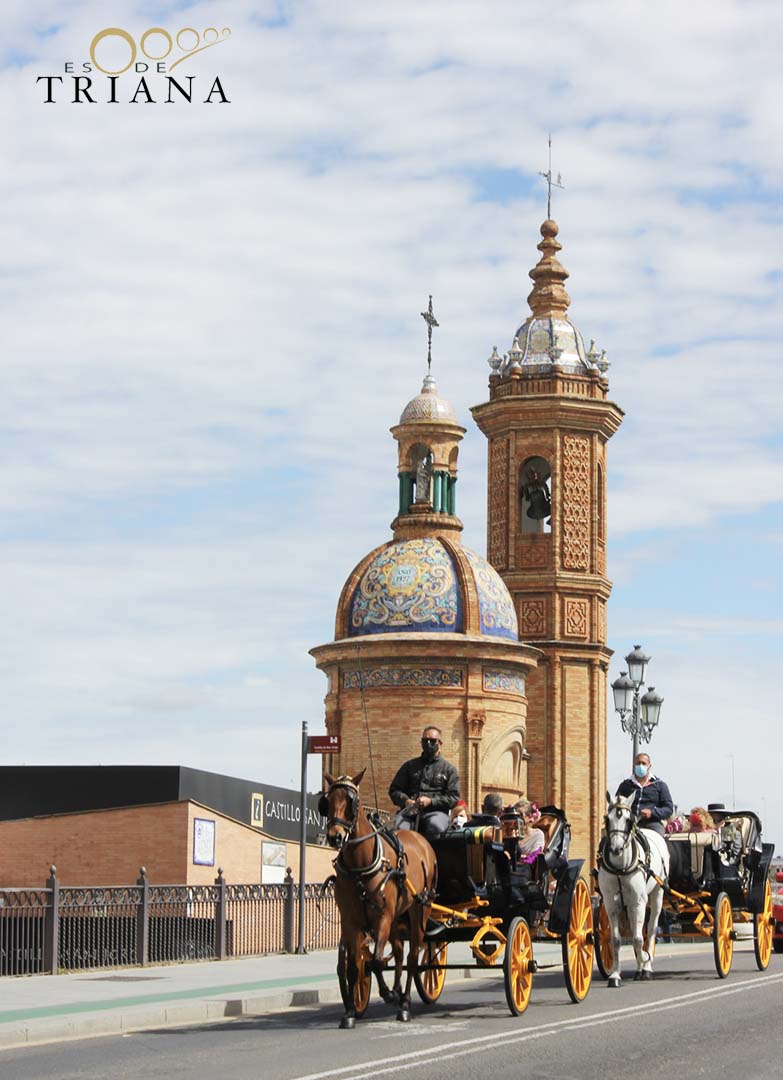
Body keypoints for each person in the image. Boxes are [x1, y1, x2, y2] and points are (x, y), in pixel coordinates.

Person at [389, 725, 460, 840]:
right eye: (425, 740)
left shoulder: (449, 770)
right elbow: (394, 790)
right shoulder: (409, 766)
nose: (428, 743)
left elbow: (454, 798)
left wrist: (431, 801)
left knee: (434, 826)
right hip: (410, 813)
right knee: (399, 830)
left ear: (440, 744)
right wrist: (406, 801)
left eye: (432, 741)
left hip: (436, 813)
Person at [615, 752, 673, 837]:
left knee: (659, 839)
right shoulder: (625, 785)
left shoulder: (660, 785)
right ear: (634, 765)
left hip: (653, 824)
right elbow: (617, 805)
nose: (640, 766)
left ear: (649, 766)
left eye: (643, 763)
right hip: (630, 823)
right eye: (638, 763)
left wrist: (652, 813)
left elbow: (668, 809)